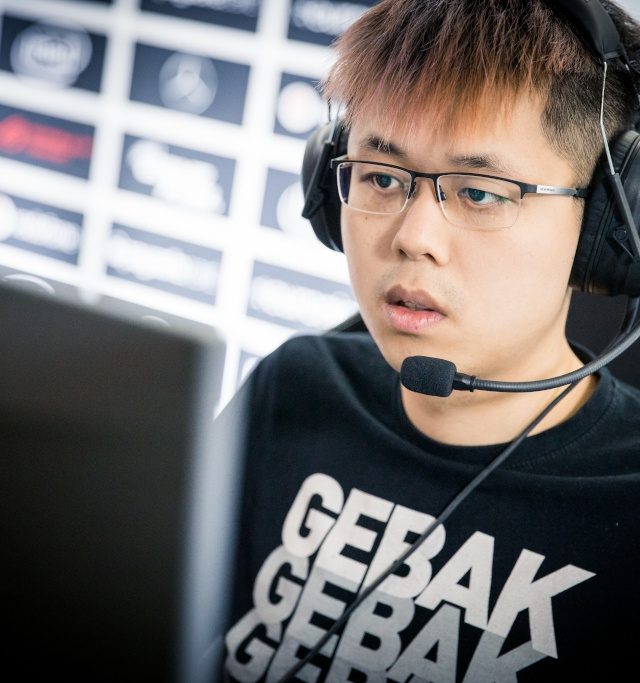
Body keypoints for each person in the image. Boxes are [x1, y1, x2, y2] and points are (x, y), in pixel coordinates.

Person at [221, 1, 640, 681]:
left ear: (605, 224)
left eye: (480, 192)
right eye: (383, 178)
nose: (414, 238)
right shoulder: (292, 387)